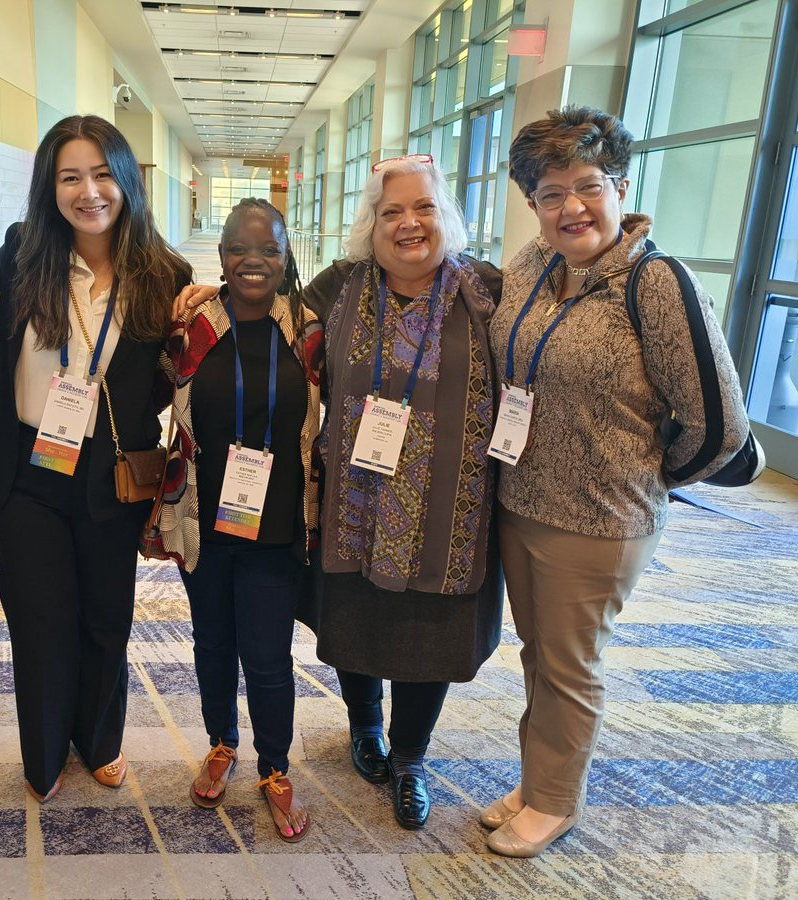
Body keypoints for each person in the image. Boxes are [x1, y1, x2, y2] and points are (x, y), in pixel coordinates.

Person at [483, 106, 749, 857]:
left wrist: (648, 479)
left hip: (600, 520)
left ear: (621, 186)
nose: (572, 207)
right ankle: (541, 780)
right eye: (550, 193)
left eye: (588, 186)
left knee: (569, 664)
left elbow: (722, 427)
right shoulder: (534, 266)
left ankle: (556, 802)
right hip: (521, 500)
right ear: (531, 204)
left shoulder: (658, 283)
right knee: (540, 655)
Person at [0, 115, 209, 802]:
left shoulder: (166, 272)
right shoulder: (22, 254)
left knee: (107, 615)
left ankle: (100, 739)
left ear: (128, 181)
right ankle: (46, 752)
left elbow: (179, 368)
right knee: (41, 615)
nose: (89, 191)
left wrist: (209, 308)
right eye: (70, 177)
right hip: (30, 468)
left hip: (114, 466)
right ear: (50, 188)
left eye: (103, 174)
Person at [300, 155, 504, 830]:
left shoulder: (486, 292)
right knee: (357, 623)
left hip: (452, 514)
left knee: (429, 638)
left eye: (423, 208)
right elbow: (265, 305)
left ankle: (412, 756)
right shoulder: (337, 289)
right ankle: (366, 729)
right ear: (372, 223)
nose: (408, 223)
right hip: (355, 506)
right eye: (392, 212)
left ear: (446, 216)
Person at [157, 198, 323, 842]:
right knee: (213, 644)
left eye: (269, 250)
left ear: (287, 257)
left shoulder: (310, 331)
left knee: (268, 655)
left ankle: (276, 767)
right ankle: (222, 742)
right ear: (220, 255)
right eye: (238, 249)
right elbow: (151, 386)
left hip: (277, 523)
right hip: (205, 518)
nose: (253, 262)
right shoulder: (191, 326)